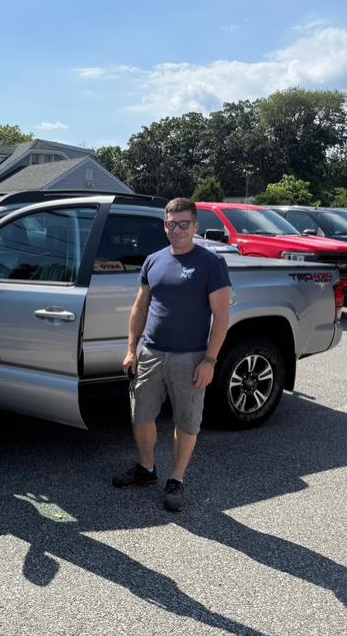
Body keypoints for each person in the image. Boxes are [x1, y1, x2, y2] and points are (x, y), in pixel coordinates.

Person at [113, 198, 231, 512]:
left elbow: (221, 317)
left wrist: (209, 360)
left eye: (183, 224)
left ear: (195, 226)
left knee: (186, 421)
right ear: (164, 226)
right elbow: (140, 308)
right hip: (150, 353)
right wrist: (131, 349)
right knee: (141, 415)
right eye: (171, 224)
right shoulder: (153, 261)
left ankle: (176, 479)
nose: (176, 230)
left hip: (190, 358)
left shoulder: (211, 263)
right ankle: (147, 468)